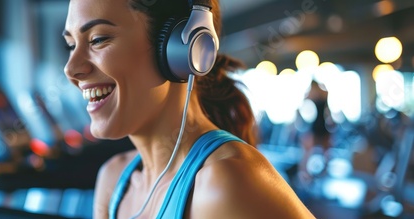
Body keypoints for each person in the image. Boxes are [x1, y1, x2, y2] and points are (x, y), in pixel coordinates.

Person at [63, 0, 315, 218]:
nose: (70, 68)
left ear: (180, 50)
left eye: (98, 39)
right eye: (71, 45)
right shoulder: (114, 179)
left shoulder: (225, 181)